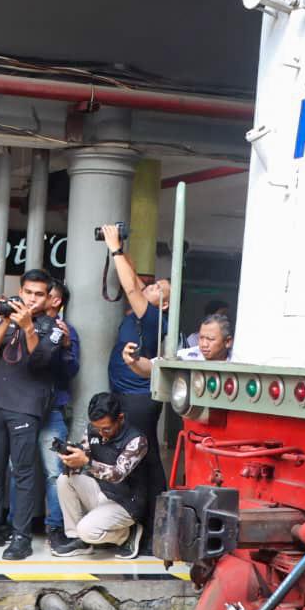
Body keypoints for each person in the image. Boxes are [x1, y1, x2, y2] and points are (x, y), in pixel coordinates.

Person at [0, 268, 61, 561]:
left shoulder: (54, 327)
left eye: (39, 294)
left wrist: (28, 327)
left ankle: (21, 537)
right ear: (21, 290)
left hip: (26, 407)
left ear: (48, 298)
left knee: (22, 472)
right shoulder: (12, 317)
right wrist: (6, 320)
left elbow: (40, 361)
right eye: (28, 292)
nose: (31, 298)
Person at [99, 225, 170, 525]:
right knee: (142, 456)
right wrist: (120, 247)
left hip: (137, 400)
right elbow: (136, 282)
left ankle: (154, 524)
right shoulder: (148, 310)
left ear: (163, 303)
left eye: (157, 289)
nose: (149, 287)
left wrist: (114, 248)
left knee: (144, 459)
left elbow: (130, 288)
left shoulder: (153, 317)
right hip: (128, 396)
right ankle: (152, 522)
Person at [53, 392, 151, 559]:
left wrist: (86, 462)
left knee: (86, 530)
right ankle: (77, 539)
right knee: (65, 480)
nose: (101, 433)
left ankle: (127, 535)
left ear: (120, 418)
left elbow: (117, 474)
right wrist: (71, 459)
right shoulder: (94, 430)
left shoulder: (136, 440)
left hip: (126, 503)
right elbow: (84, 453)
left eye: (106, 428)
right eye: (97, 428)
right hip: (102, 492)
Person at [40, 280, 80, 552]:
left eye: (46, 295)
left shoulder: (67, 330)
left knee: (55, 472)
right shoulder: (27, 323)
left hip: (53, 408)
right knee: (14, 468)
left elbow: (72, 370)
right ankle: (12, 523)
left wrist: (65, 346)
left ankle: (55, 528)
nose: (39, 299)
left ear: (56, 302)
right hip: (23, 407)